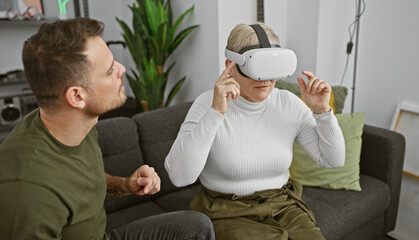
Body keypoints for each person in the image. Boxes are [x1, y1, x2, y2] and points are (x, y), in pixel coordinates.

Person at [0, 18, 214, 240]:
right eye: (110, 69)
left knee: (195, 226)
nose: (121, 69)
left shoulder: (77, 124)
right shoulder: (26, 191)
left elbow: (79, 180)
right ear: (76, 96)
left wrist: (126, 185)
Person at [165, 23, 345, 240]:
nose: (266, 80)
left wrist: (322, 111)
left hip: (283, 204)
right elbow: (179, 177)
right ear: (230, 65)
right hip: (226, 210)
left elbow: (333, 160)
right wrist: (215, 113)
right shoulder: (207, 105)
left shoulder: (288, 103)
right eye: (257, 68)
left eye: (272, 68)